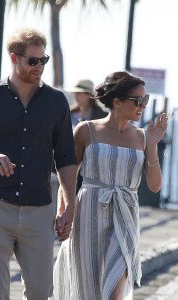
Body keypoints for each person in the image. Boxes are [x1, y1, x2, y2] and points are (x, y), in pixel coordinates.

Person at [0, 28, 77, 299]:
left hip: (39, 210)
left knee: (39, 292)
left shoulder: (57, 101)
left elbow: (66, 157)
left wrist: (70, 205)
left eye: (42, 60)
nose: (39, 67)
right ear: (14, 58)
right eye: (32, 61)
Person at [52, 71, 168, 300]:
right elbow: (68, 176)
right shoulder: (86, 131)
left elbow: (155, 186)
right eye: (138, 101)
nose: (143, 106)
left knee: (115, 288)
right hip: (88, 214)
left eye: (146, 101)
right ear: (117, 102)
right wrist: (63, 211)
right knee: (87, 286)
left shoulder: (144, 137)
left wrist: (152, 145)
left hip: (125, 216)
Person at [65, 79, 108, 192]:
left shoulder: (102, 116)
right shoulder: (68, 113)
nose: (76, 96)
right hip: (69, 161)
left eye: (79, 93)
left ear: (89, 95)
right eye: (75, 93)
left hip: (92, 166)